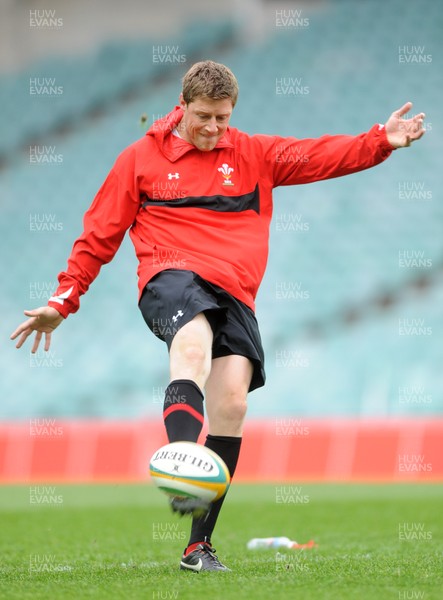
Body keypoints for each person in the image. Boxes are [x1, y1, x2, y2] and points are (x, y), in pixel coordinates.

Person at [10, 60, 425, 572]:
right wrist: (62, 301)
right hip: (171, 277)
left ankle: (197, 546)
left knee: (231, 404)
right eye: (203, 116)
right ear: (182, 106)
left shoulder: (254, 153)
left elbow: (322, 155)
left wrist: (381, 139)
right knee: (192, 346)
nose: (212, 127)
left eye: (222, 118)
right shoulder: (139, 160)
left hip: (236, 293)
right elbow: (99, 234)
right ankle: (183, 464)